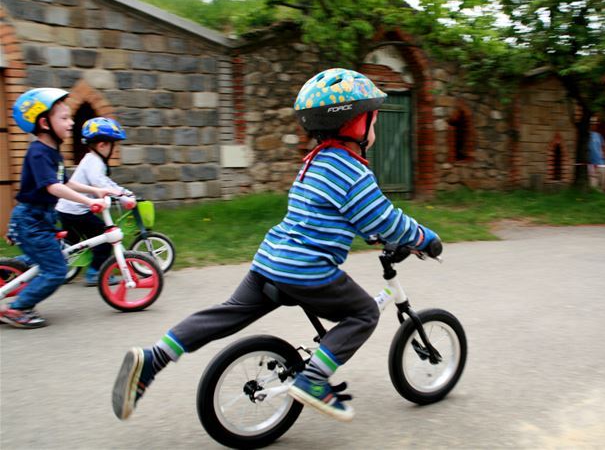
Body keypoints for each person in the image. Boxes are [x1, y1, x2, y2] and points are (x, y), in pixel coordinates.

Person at [111, 68, 440, 422]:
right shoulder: (353, 171)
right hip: (307, 271)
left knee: (225, 314)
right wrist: (425, 238)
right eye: (373, 120)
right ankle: (314, 380)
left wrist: (373, 235)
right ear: (356, 123)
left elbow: (334, 215)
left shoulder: (312, 164)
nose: (374, 129)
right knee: (364, 313)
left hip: (269, 262)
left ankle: (154, 357)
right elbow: (386, 220)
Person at [0, 88, 116, 328]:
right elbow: (53, 187)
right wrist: (88, 202)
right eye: (64, 118)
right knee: (56, 271)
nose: (71, 122)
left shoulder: (53, 153)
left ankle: (6, 270)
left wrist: (95, 191)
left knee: (46, 258)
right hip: (31, 220)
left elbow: (65, 182)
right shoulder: (38, 153)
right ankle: (17, 308)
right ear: (44, 123)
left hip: (41, 219)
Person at [56, 117, 129, 285]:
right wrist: (124, 197)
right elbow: (101, 184)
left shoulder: (91, 160)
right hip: (76, 211)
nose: (115, 149)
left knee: (70, 245)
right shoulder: (95, 162)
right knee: (105, 239)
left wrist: (123, 193)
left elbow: (105, 184)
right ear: (102, 145)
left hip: (66, 209)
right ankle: (95, 273)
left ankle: (54, 268)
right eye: (114, 145)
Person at [587, 122, 605, 190]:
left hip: (601, 163)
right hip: (590, 163)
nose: (594, 126)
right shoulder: (587, 136)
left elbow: (604, 146)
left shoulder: (599, 135)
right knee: (592, 183)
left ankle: (601, 195)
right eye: (592, 124)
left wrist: (603, 155)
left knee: (602, 182)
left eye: (595, 124)